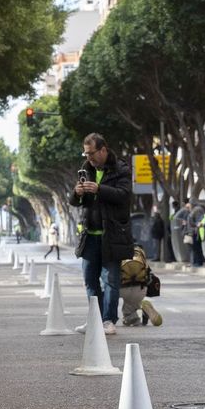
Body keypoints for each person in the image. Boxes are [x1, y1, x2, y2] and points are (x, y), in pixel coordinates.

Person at [70, 132, 132, 335]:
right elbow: (74, 202)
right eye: (86, 153)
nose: (89, 157)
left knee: (110, 279)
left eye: (92, 153)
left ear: (103, 150)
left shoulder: (120, 169)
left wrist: (99, 189)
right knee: (90, 279)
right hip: (90, 234)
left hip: (112, 234)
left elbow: (123, 196)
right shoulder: (85, 169)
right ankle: (94, 318)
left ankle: (108, 320)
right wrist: (77, 193)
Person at [118, 246, 162, 327]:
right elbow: (150, 279)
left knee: (108, 295)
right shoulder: (141, 260)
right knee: (132, 302)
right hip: (140, 289)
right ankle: (143, 309)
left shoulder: (119, 255)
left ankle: (129, 317)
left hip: (121, 289)